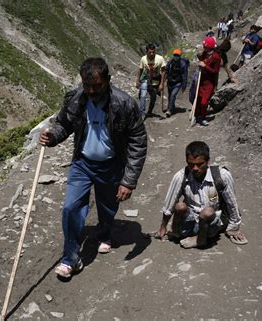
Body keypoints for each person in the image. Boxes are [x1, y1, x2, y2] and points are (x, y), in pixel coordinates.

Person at [40, 57, 147, 279]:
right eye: (87, 85)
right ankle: (71, 259)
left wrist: (129, 180)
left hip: (111, 164)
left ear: (108, 80)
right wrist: (52, 137)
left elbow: (138, 139)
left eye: (97, 85)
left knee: (107, 206)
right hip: (82, 163)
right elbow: (64, 124)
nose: (91, 90)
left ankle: (105, 233)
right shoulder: (75, 99)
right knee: (71, 207)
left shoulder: (124, 103)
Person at [158, 141, 248, 248]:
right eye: (191, 164)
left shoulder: (222, 176)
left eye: (200, 164)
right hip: (191, 219)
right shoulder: (180, 176)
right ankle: (178, 232)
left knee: (207, 211)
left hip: (210, 222)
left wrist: (233, 228)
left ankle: (200, 240)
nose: (195, 168)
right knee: (180, 206)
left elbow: (232, 204)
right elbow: (170, 205)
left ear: (207, 162)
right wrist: (163, 227)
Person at [194, 36, 220, 126]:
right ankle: (197, 115)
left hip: (209, 83)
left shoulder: (216, 57)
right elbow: (201, 59)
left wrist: (205, 66)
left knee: (204, 101)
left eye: (205, 46)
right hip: (202, 80)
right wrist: (199, 57)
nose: (204, 47)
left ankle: (203, 116)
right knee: (198, 99)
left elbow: (215, 71)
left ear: (210, 47)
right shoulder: (205, 53)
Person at [135, 43, 166, 118]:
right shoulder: (143, 59)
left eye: (153, 52)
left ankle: (149, 111)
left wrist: (162, 84)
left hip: (156, 80)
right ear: (146, 52)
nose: (152, 54)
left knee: (153, 97)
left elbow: (163, 71)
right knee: (142, 95)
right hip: (146, 79)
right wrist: (137, 80)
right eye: (150, 52)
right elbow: (140, 70)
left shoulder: (160, 58)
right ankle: (142, 113)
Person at [164, 48, 189, 117]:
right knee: (170, 96)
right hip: (170, 82)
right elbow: (166, 70)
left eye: (177, 55)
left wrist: (184, 86)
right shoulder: (170, 62)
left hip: (178, 83)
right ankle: (172, 107)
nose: (175, 56)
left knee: (173, 95)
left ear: (180, 56)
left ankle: (169, 110)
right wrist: (164, 80)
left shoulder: (183, 64)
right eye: (175, 55)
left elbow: (184, 76)